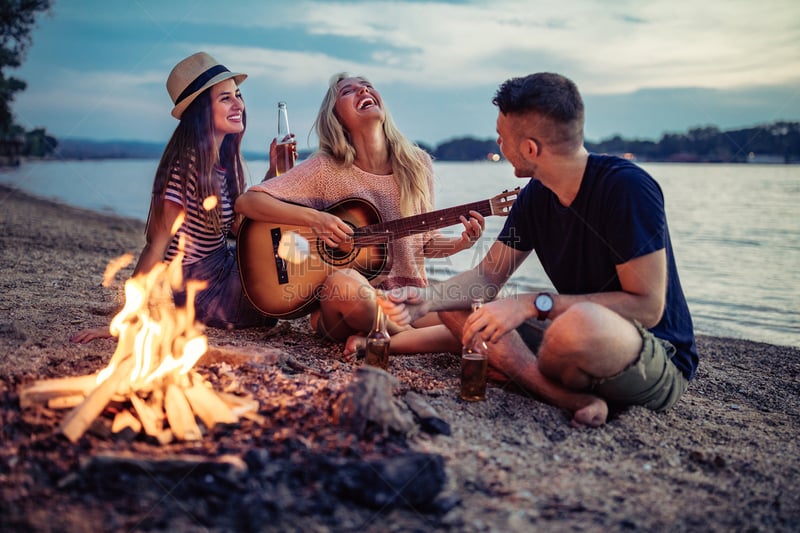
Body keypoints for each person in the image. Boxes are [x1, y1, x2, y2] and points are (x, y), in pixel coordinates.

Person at [379, 72, 698, 427]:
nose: (498, 144)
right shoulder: (536, 196)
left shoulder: (627, 188)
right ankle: (565, 395)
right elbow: (486, 276)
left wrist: (531, 304)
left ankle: (520, 370)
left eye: (502, 138)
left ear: (530, 148)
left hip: (651, 352)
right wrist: (427, 299)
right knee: (458, 305)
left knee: (577, 325)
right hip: (571, 341)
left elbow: (648, 308)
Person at [235, 72, 484, 350]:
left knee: (479, 312)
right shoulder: (325, 168)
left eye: (367, 86)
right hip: (348, 303)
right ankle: (410, 339)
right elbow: (248, 202)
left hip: (407, 300)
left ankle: (386, 338)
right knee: (345, 284)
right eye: (348, 91)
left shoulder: (418, 164)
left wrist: (462, 243)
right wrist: (316, 219)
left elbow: (422, 245)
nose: (363, 90)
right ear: (336, 117)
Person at [71, 52, 276, 343]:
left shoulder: (222, 162)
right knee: (288, 283)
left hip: (226, 269)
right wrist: (123, 322)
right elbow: (156, 247)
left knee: (290, 264)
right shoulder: (185, 168)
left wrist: (274, 173)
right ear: (202, 110)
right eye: (225, 98)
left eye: (238, 95)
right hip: (208, 295)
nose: (238, 105)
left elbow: (240, 228)